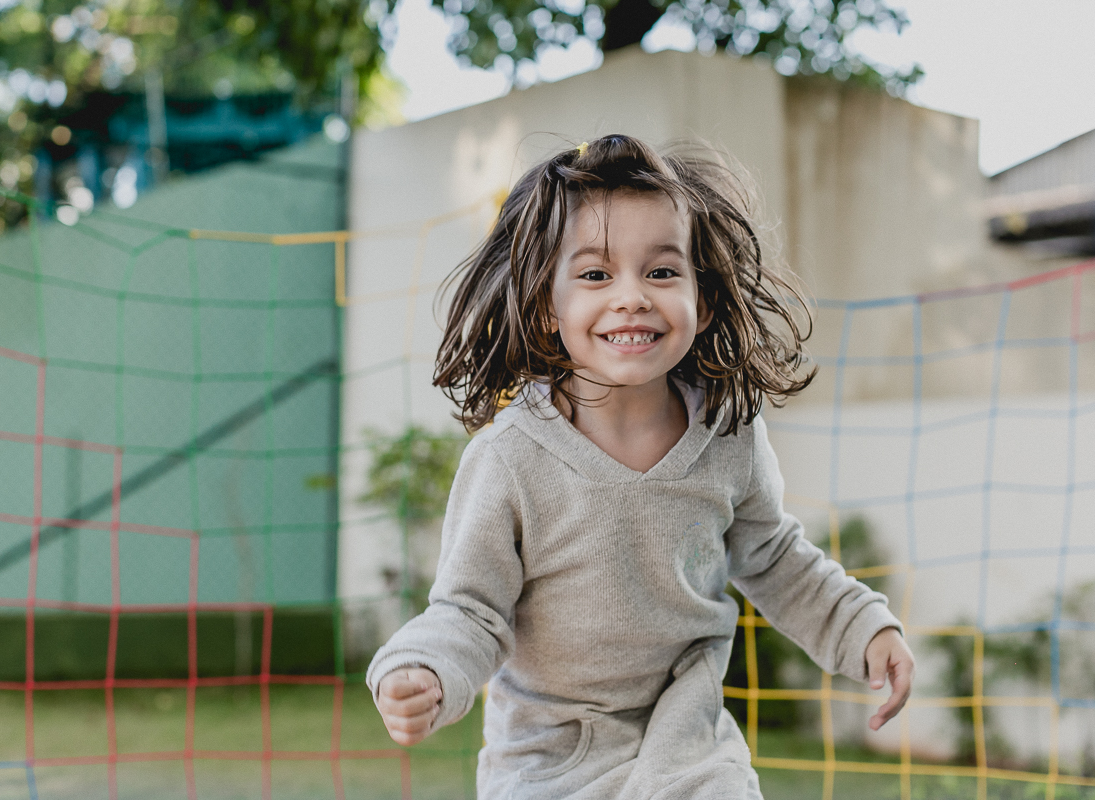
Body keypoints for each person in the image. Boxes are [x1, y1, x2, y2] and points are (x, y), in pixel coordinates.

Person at [366, 134, 914, 799]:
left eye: (661, 272)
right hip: (546, 762)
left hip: (687, 748)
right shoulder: (508, 459)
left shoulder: (727, 435)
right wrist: (425, 666)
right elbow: (471, 611)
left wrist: (863, 626)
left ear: (702, 300)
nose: (631, 296)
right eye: (596, 275)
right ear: (547, 305)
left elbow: (773, 557)